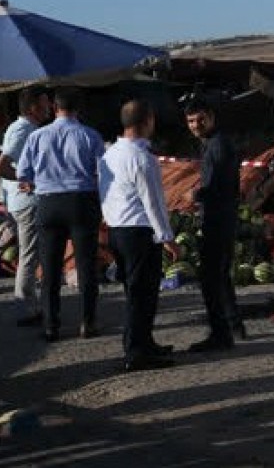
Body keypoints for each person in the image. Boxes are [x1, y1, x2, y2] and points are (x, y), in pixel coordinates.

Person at [99, 99, 182, 372]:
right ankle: (136, 352)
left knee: (136, 293)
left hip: (117, 230)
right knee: (142, 295)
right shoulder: (142, 159)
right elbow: (154, 203)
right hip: (139, 233)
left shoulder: (109, 155)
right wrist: (167, 237)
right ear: (147, 121)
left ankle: (144, 342)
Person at [16, 87, 105, 342]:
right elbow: (102, 173)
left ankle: (51, 326)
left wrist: (34, 183)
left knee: (50, 267)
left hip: (48, 204)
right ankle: (88, 322)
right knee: (86, 265)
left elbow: (23, 174)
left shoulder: (37, 136)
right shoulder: (90, 136)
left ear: (55, 108)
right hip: (81, 201)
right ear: (78, 109)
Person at [0, 87, 54, 327]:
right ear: (33, 107)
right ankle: (26, 306)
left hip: (21, 202)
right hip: (26, 204)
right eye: (46, 103)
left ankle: (31, 303)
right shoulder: (22, 130)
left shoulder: (26, 129)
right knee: (28, 255)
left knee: (28, 253)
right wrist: (25, 178)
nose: (49, 108)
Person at [185, 97, 243, 352]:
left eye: (200, 119)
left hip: (219, 219)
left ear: (211, 117)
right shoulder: (212, 144)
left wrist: (193, 197)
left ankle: (221, 334)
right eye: (190, 121)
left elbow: (215, 186)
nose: (195, 125)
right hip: (221, 216)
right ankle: (233, 325)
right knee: (221, 276)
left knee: (211, 279)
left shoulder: (217, 146)